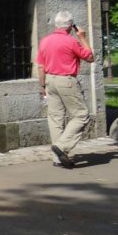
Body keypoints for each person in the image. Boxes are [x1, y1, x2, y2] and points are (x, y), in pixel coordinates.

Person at [36, 10, 94, 169]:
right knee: (81, 115)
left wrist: (42, 86)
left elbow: (41, 66)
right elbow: (90, 57)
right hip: (66, 80)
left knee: (55, 119)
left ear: (56, 24)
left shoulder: (45, 41)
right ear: (70, 26)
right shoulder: (71, 42)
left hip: (49, 80)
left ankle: (57, 158)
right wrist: (82, 37)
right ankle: (61, 147)